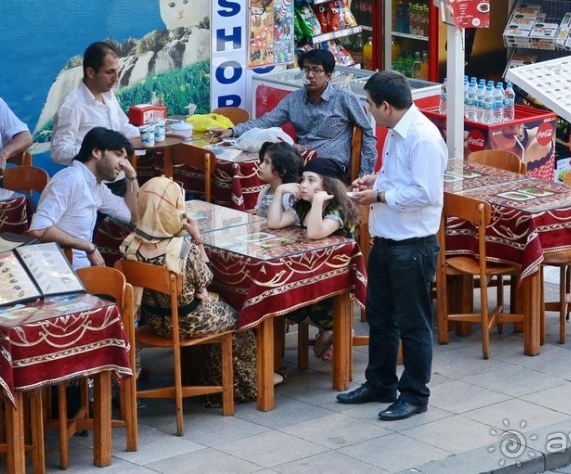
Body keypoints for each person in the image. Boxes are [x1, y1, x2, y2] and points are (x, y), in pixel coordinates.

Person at [335, 70, 446, 421]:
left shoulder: (423, 137)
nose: (367, 111)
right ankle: (380, 382)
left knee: (413, 324)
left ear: (385, 106)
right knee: (380, 317)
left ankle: (414, 394)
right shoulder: (395, 133)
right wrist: (375, 179)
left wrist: (379, 195)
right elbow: (400, 177)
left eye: (369, 104)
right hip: (386, 239)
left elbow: (425, 193)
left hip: (412, 245)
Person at [120, 177, 259, 404]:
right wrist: (198, 239)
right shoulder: (183, 250)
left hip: (155, 321)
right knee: (239, 321)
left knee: (217, 306)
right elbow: (207, 277)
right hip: (187, 322)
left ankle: (208, 382)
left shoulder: (129, 246)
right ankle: (237, 387)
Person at [209, 49, 377, 177]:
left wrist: (364, 174)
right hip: (300, 158)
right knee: (265, 163)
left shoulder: (344, 98)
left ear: (328, 75)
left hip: (332, 163)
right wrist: (232, 131)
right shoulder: (294, 99)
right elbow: (265, 121)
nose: (309, 75)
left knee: (308, 170)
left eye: (316, 70)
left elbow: (368, 133)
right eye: (305, 70)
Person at [267, 156, 360, 362]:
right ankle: (328, 330)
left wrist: (318, 202)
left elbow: (316, 233)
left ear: (327, 185)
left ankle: (335, 327)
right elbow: (275, 222)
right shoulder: (303, 207)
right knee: (281, 292)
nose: (303, 185)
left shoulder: (339, 210)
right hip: (310, 270)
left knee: (296, 296)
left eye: (311, 180)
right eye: (302, 180)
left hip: (336, 279)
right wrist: (280, 192)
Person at [27, 127, 139, 269]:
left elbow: (132, 218)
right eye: (118, 155)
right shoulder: (70, 179)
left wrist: (131, 176)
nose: (124, 164)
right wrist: (88, 247)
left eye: (125, 159)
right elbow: (38, 229)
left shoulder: (97, 187)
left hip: (82, 270)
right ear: (96, 152)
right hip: (60, 272)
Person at [50, 41, 142, 166]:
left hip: (119, 175)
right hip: (90, 182)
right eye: (110, 72)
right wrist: (98, 152)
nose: (116, 78)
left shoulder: (109, 95)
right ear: (91, 72)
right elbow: (58, 151)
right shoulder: (72, 105)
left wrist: (146, 135)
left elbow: (122, 127)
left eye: (117, 71)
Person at [254, 141, 303, 218]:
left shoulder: (290, 198)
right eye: (263, 161)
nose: (260, 166)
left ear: (282, 171)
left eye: (267, 162)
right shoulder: (264, 192)